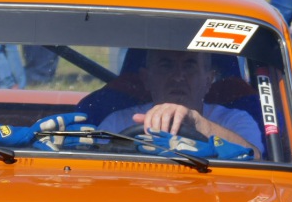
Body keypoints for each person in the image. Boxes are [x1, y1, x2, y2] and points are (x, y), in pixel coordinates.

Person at [97, 49, 263, 156]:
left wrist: (197, 122)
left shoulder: (235, 121)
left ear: (208, 81)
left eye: (189, 66)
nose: (178, 77)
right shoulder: (117, 122)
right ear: (146, 79)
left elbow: (256, 159)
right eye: (166, 66)